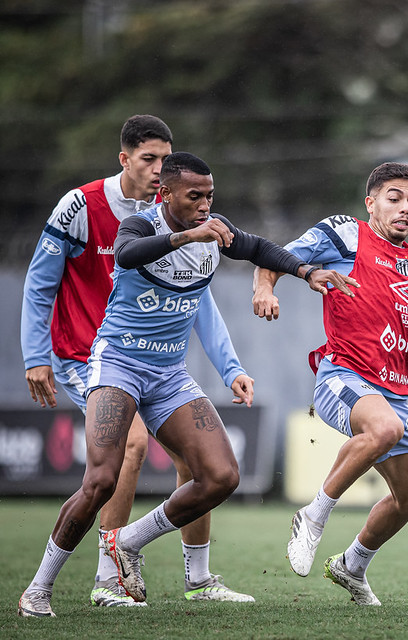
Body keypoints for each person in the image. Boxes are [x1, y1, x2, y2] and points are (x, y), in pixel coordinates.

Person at [18, 152, 355, 618]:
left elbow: (258, 248)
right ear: (166, 195)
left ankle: (130, 542)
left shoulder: (214, 229)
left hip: (169, 375)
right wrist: (186, 236)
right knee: (99, 481)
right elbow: (126, 255)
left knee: (222, 476)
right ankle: (37, 589)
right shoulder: (139, 225)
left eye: (210, 197)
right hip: (118, 364)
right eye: (194, 197)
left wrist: (305, 272)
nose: (204, 206)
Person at [20, 115, 255, 607]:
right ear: (124, 160)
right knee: (128, 447)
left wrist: (230, 367)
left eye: (164, 160)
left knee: (200, 463)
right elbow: (41, 282)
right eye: (148, 159)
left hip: (162, 366)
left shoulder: (177, 211)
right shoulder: (80, 207)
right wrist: (34, 355)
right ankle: (109, 577)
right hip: (89, 355)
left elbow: (200, 300)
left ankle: (198, 578)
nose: (157, 169)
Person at [252, 161, 408, 605]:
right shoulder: (346, 233)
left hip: (392, 392)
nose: (405, 209)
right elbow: (272, 256)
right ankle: (313, 515)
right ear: (371, 202)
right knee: (385, 430)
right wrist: (264, 289)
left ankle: (352, 565)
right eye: (394, 198)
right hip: (342, 375)